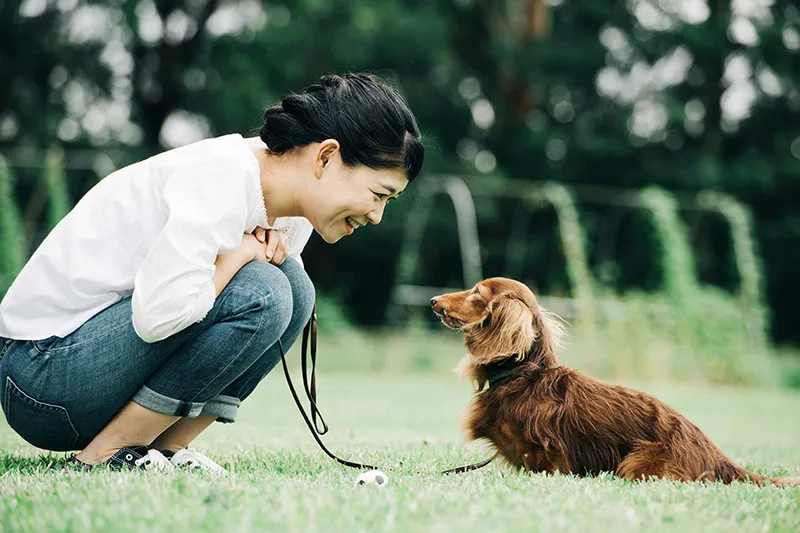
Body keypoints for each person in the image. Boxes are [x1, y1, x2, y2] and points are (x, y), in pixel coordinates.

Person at [0, 73, 424, 473]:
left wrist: (243, 260)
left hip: (92, 372)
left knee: (295, 289)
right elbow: (158, 318)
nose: (376, 215)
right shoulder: (221, 176)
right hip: (40, 377)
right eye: (377, 194)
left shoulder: (296, 214)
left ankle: (164, 449)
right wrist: (234, 257)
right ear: (326, 156)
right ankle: (109, 452)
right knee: (266, 291)